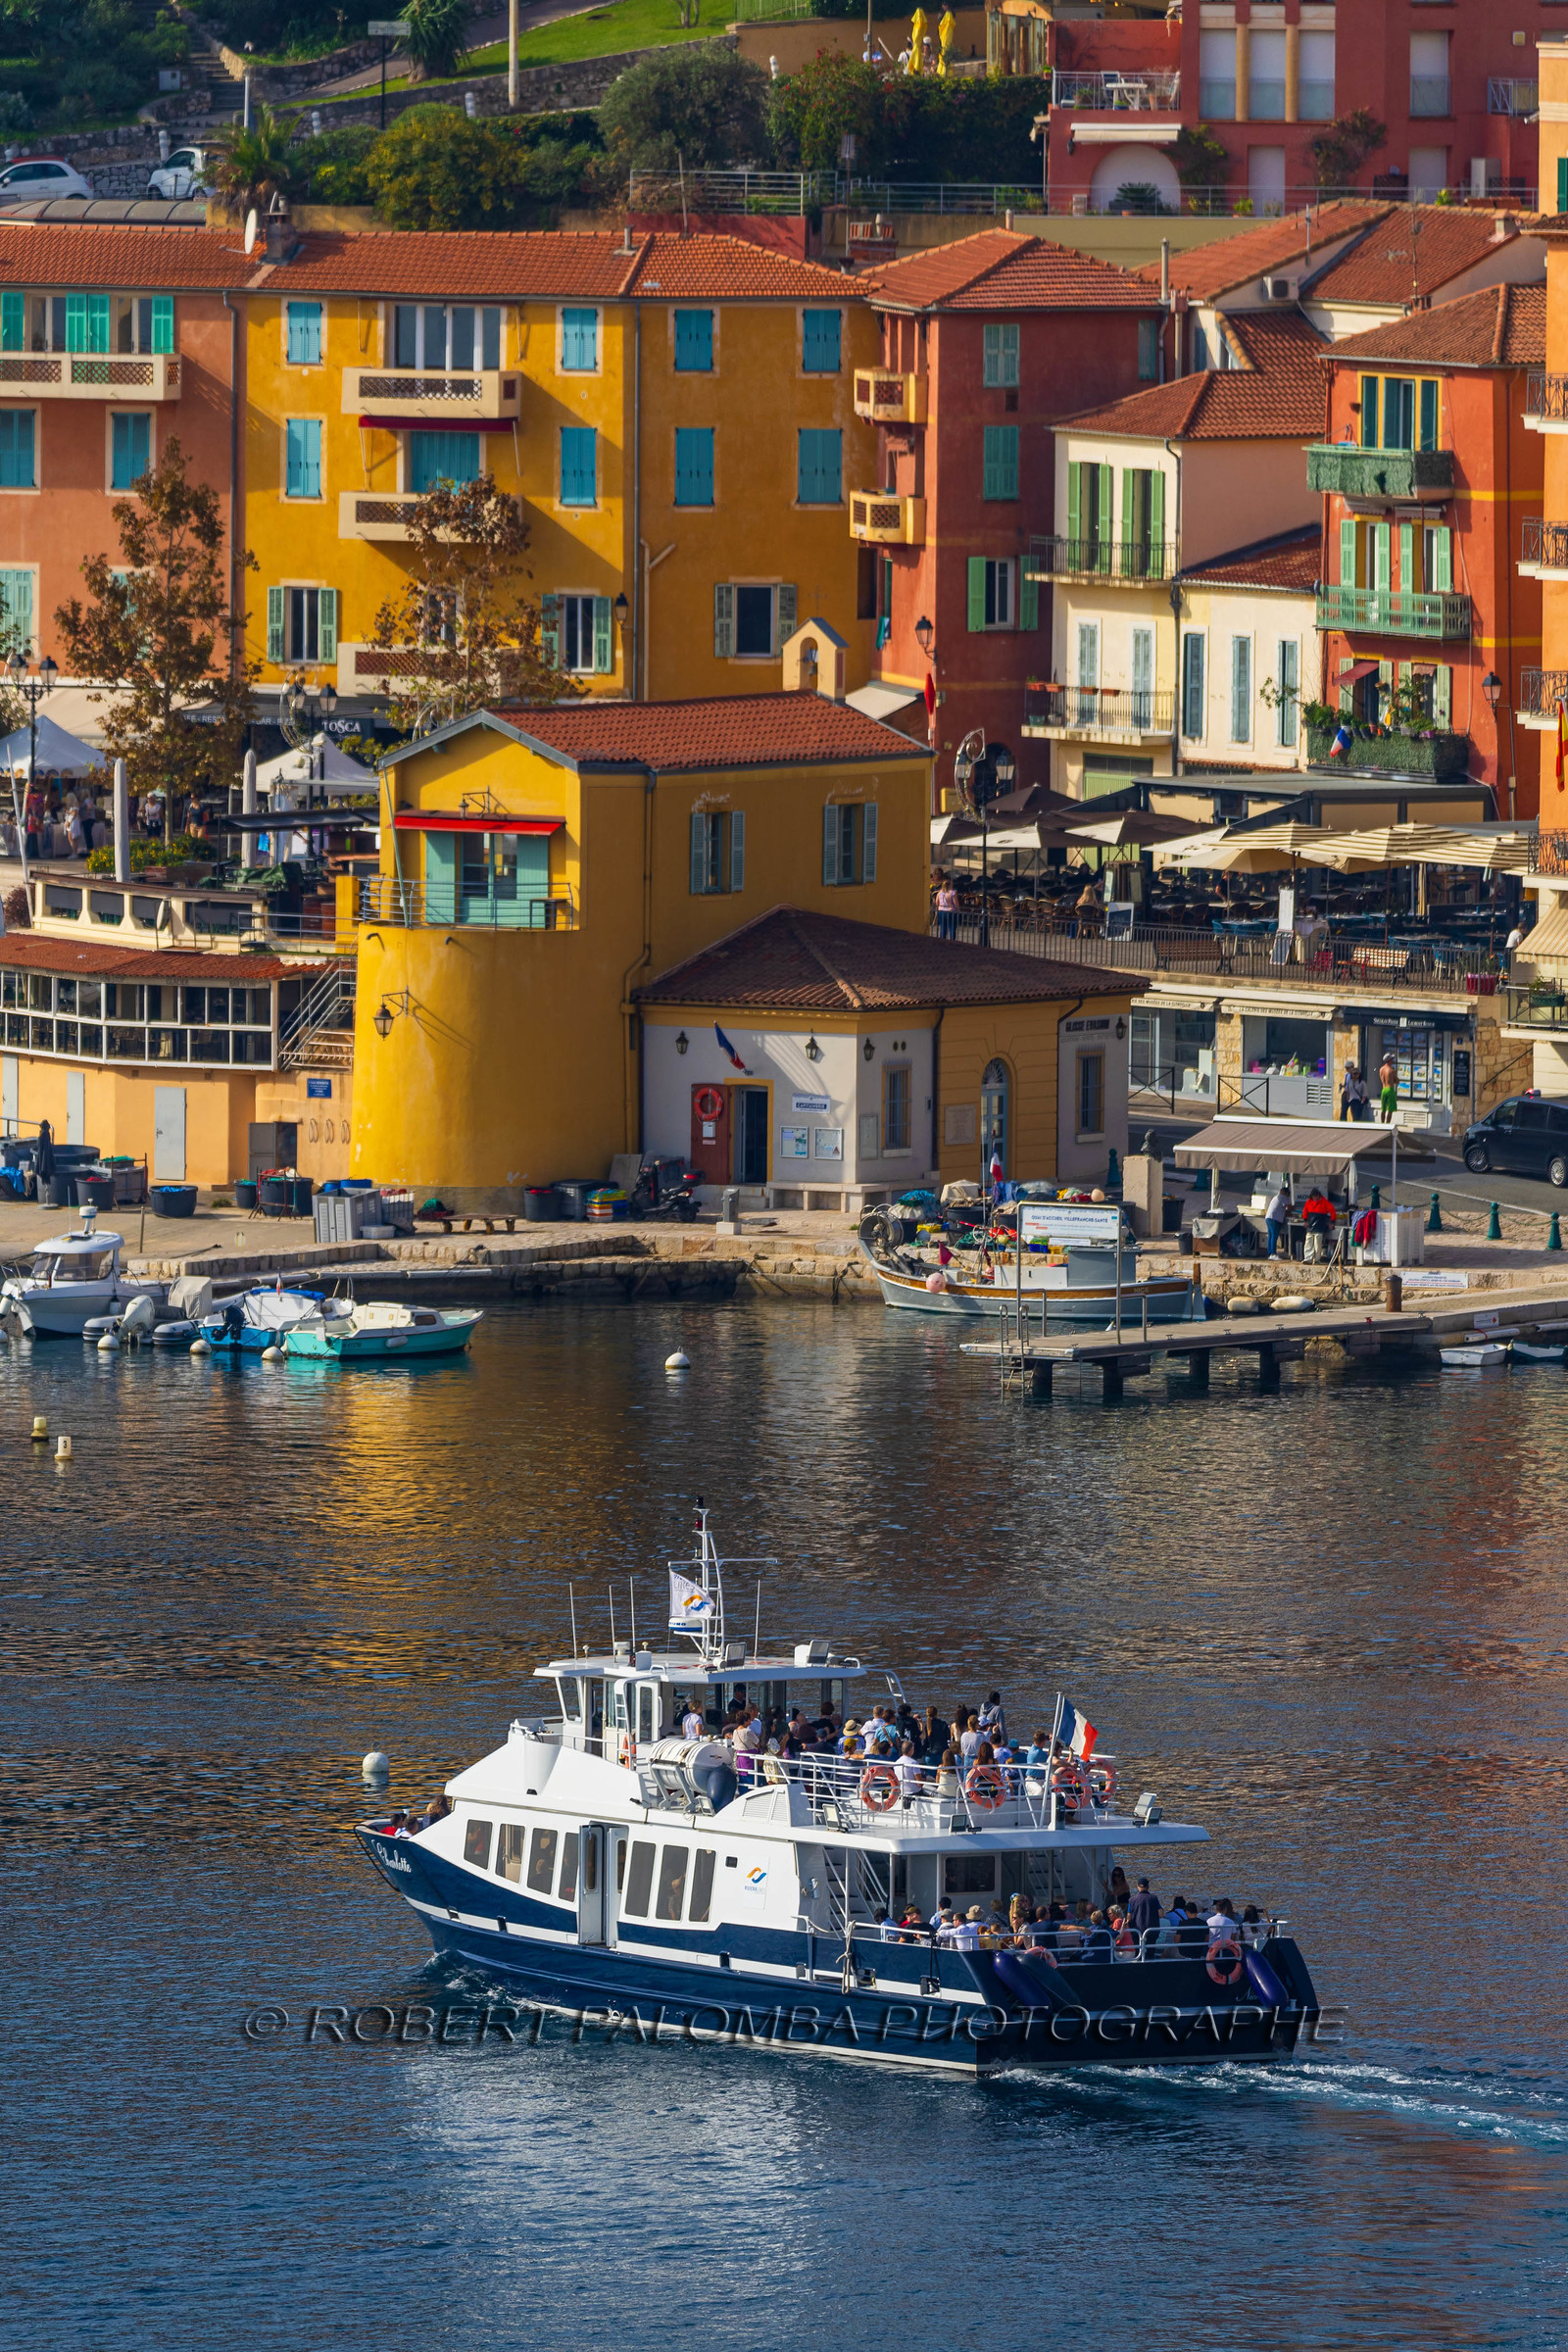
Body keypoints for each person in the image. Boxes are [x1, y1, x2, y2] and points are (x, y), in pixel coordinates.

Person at [1127, 1877, 1161, 1949]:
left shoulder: (1132, 1900)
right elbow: (1161, 1914)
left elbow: (1129, 1918)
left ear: (1137, 1886)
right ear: (1147, 1887)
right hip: (1151, 1930)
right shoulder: (1154, 1898)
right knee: (1150, 1951)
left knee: (1137, 1951)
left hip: (1137, 1931)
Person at [1264, 1181, 1291, 1259]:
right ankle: (1273, 1254)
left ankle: (1269, 1253)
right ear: (1286, 1193)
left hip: (1268, 1217)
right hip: (1274, 1219)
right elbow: (1289, 1207)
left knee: (1270, 1236)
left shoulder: (1276, 1197)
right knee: (1274, 1236)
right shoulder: (1283, 1197)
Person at [935, 869, 958, 940]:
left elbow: (937, 902)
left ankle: (942, 940)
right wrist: (958, 909)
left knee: (943, 927)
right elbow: (956, 903)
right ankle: (952, 941)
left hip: (941, 911)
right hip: (951, 911)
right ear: (950, 885)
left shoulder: (939, 892)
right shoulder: (952, 892)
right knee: (952, 927)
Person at [1378, 1054, 1398, 1122]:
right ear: (1389, 1060)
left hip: (1383, 1089)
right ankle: (1387, 1124)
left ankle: (1382, 1123)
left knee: (1383, 1109)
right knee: (1390, 1109)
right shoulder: (1391, 1070)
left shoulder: (1381, 1069)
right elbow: (1397, 1081)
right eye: (1391, 1059)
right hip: (1390, 1089)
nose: (1392, 1061)